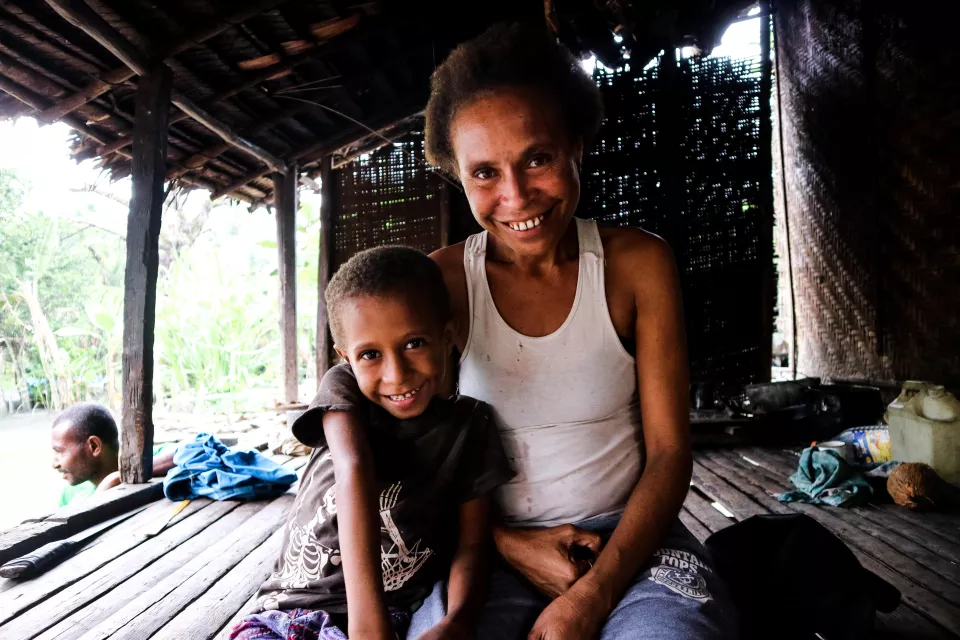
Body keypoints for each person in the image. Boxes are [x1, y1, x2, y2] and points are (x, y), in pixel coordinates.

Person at [331, 22, 738, 639]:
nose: (516, 196)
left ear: (577, 144)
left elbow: (670, 453)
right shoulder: (442, 284)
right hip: (485, 552)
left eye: (538, 158)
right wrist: (505, 542)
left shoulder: (637, 266)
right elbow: (402, 444)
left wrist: (595, 595)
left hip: (636, 547)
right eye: (485, 173)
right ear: (458, 177)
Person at [232, 247, 514, 640]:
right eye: (370, 355)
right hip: (290, 611)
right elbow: (353, 469)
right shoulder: (343, 387)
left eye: (414, 343)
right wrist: (369, 628)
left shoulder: (470, 427)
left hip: (395, 614)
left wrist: (458, 620)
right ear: (346, 357)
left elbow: (471, 544)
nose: (396, 374)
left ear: (446, 336)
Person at [52, 403, 177, 507]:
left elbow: (189, 451)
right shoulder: (69, 494)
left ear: (94, 446)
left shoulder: (151, 457)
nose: (54, 464)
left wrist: (119, 477)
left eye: (60, 452)